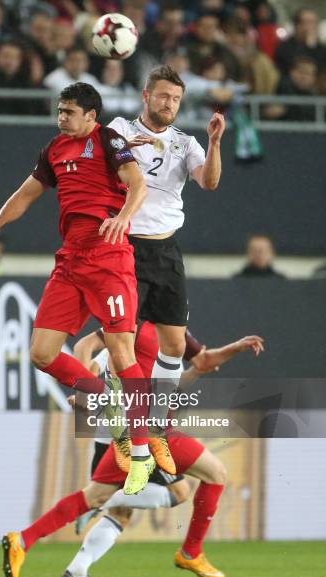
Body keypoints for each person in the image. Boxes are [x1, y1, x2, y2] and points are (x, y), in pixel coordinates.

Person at [0, 82, 158, 498]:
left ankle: (142, 453)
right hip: (71, 261)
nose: (61, 118)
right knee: (41, 353)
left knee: (121, 351)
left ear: (91, 116)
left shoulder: (108, 139)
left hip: (109, 259)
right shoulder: (54, 151)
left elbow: (137, 184)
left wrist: (122, 217)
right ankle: (107, 399)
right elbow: (27, 194)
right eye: (59, 111)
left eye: (69, 112)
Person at [1, 322, 263, 577]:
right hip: (143, 431)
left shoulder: (173, 331)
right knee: (205, 478)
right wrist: (84, 394)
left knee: (100, 500)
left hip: (139, 430)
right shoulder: (133, 324)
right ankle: (190, 553)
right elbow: (86, 349)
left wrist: (234, 348)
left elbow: (199, 365)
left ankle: (27, 543)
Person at [107, 65, 225, 462]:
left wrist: (214, 144)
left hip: (167, 251)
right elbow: (101, 166)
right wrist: (121, 150)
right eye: (162, 96)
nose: (169, 104)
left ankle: (157, 426)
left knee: (174, 343)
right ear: (146, 96)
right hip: (126, 247)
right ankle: (120, 425)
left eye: (175, 99)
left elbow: (209, 183)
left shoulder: (185, 142)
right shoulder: (119, 128)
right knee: (120, 341)